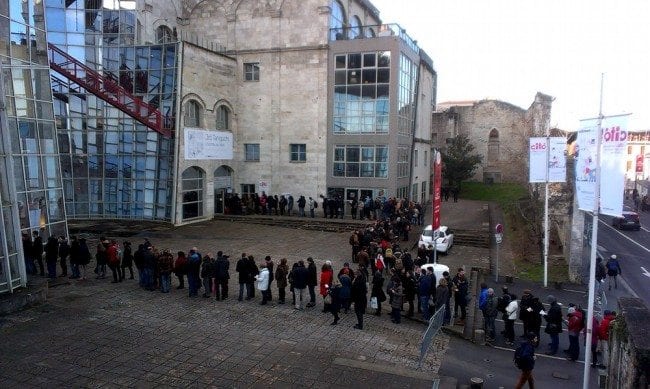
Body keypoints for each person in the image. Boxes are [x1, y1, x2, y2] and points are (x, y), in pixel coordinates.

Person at [351, 265, 367, 329]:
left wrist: (353, 283)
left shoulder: (359, 281)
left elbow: (355, 288)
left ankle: (360, 325)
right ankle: (360, 323)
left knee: (358, 312)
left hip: (359, 299)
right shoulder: (362, 278)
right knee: (358, 312)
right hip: (360, 298)